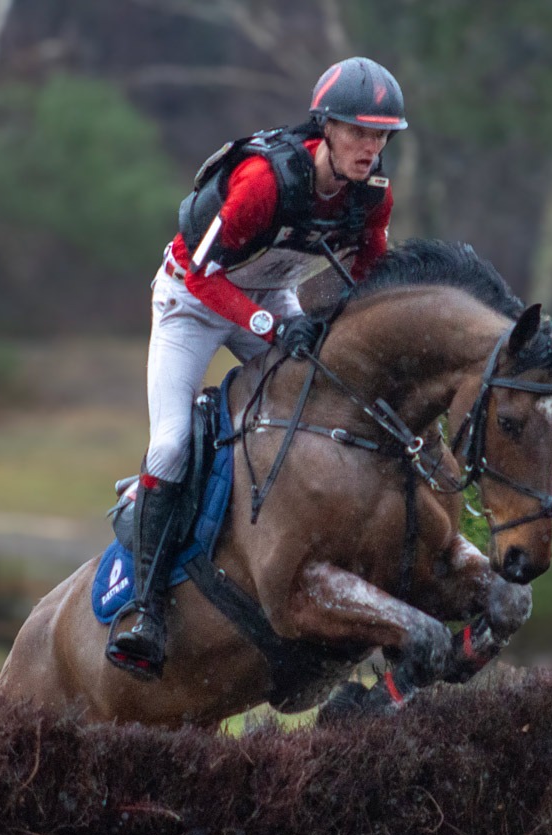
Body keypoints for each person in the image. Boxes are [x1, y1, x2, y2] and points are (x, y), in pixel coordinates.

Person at [107, 56, 407, 679]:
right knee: (169, 446)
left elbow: (368, 276)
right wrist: (269, 327)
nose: (369, 148)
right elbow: (199, 273)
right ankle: (145, 607)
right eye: (358, 132)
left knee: (327, 398)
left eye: (380, 136)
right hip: (191, 305)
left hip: (268, 298)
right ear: (325, 127)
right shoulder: (265, 182)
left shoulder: (371, 198)